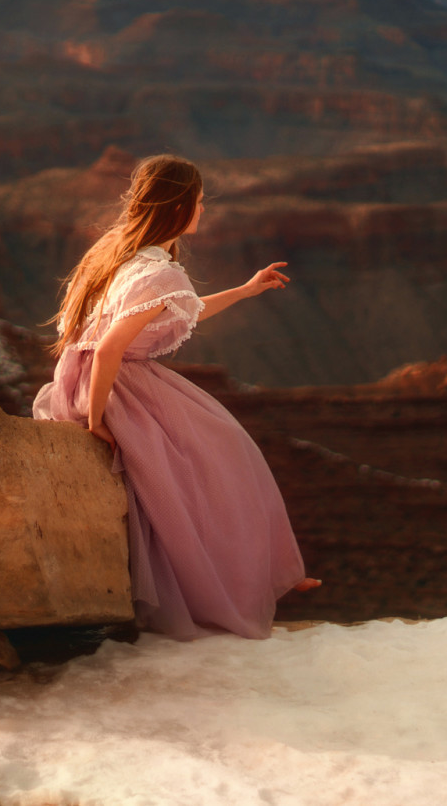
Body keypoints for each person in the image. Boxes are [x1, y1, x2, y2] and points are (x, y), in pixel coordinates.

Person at [32, 154, 317, 640]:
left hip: (85, 377)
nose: (203, 211)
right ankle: (233, 586)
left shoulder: (118, 252)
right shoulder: (160, 272)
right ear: (180, 205)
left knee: (221, 442)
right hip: (118, 384)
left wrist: (245, 291)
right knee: (223, 452)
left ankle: (266, 575)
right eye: (200, 202)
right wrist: (97, 420)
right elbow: (109, 350)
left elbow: (174, 314)